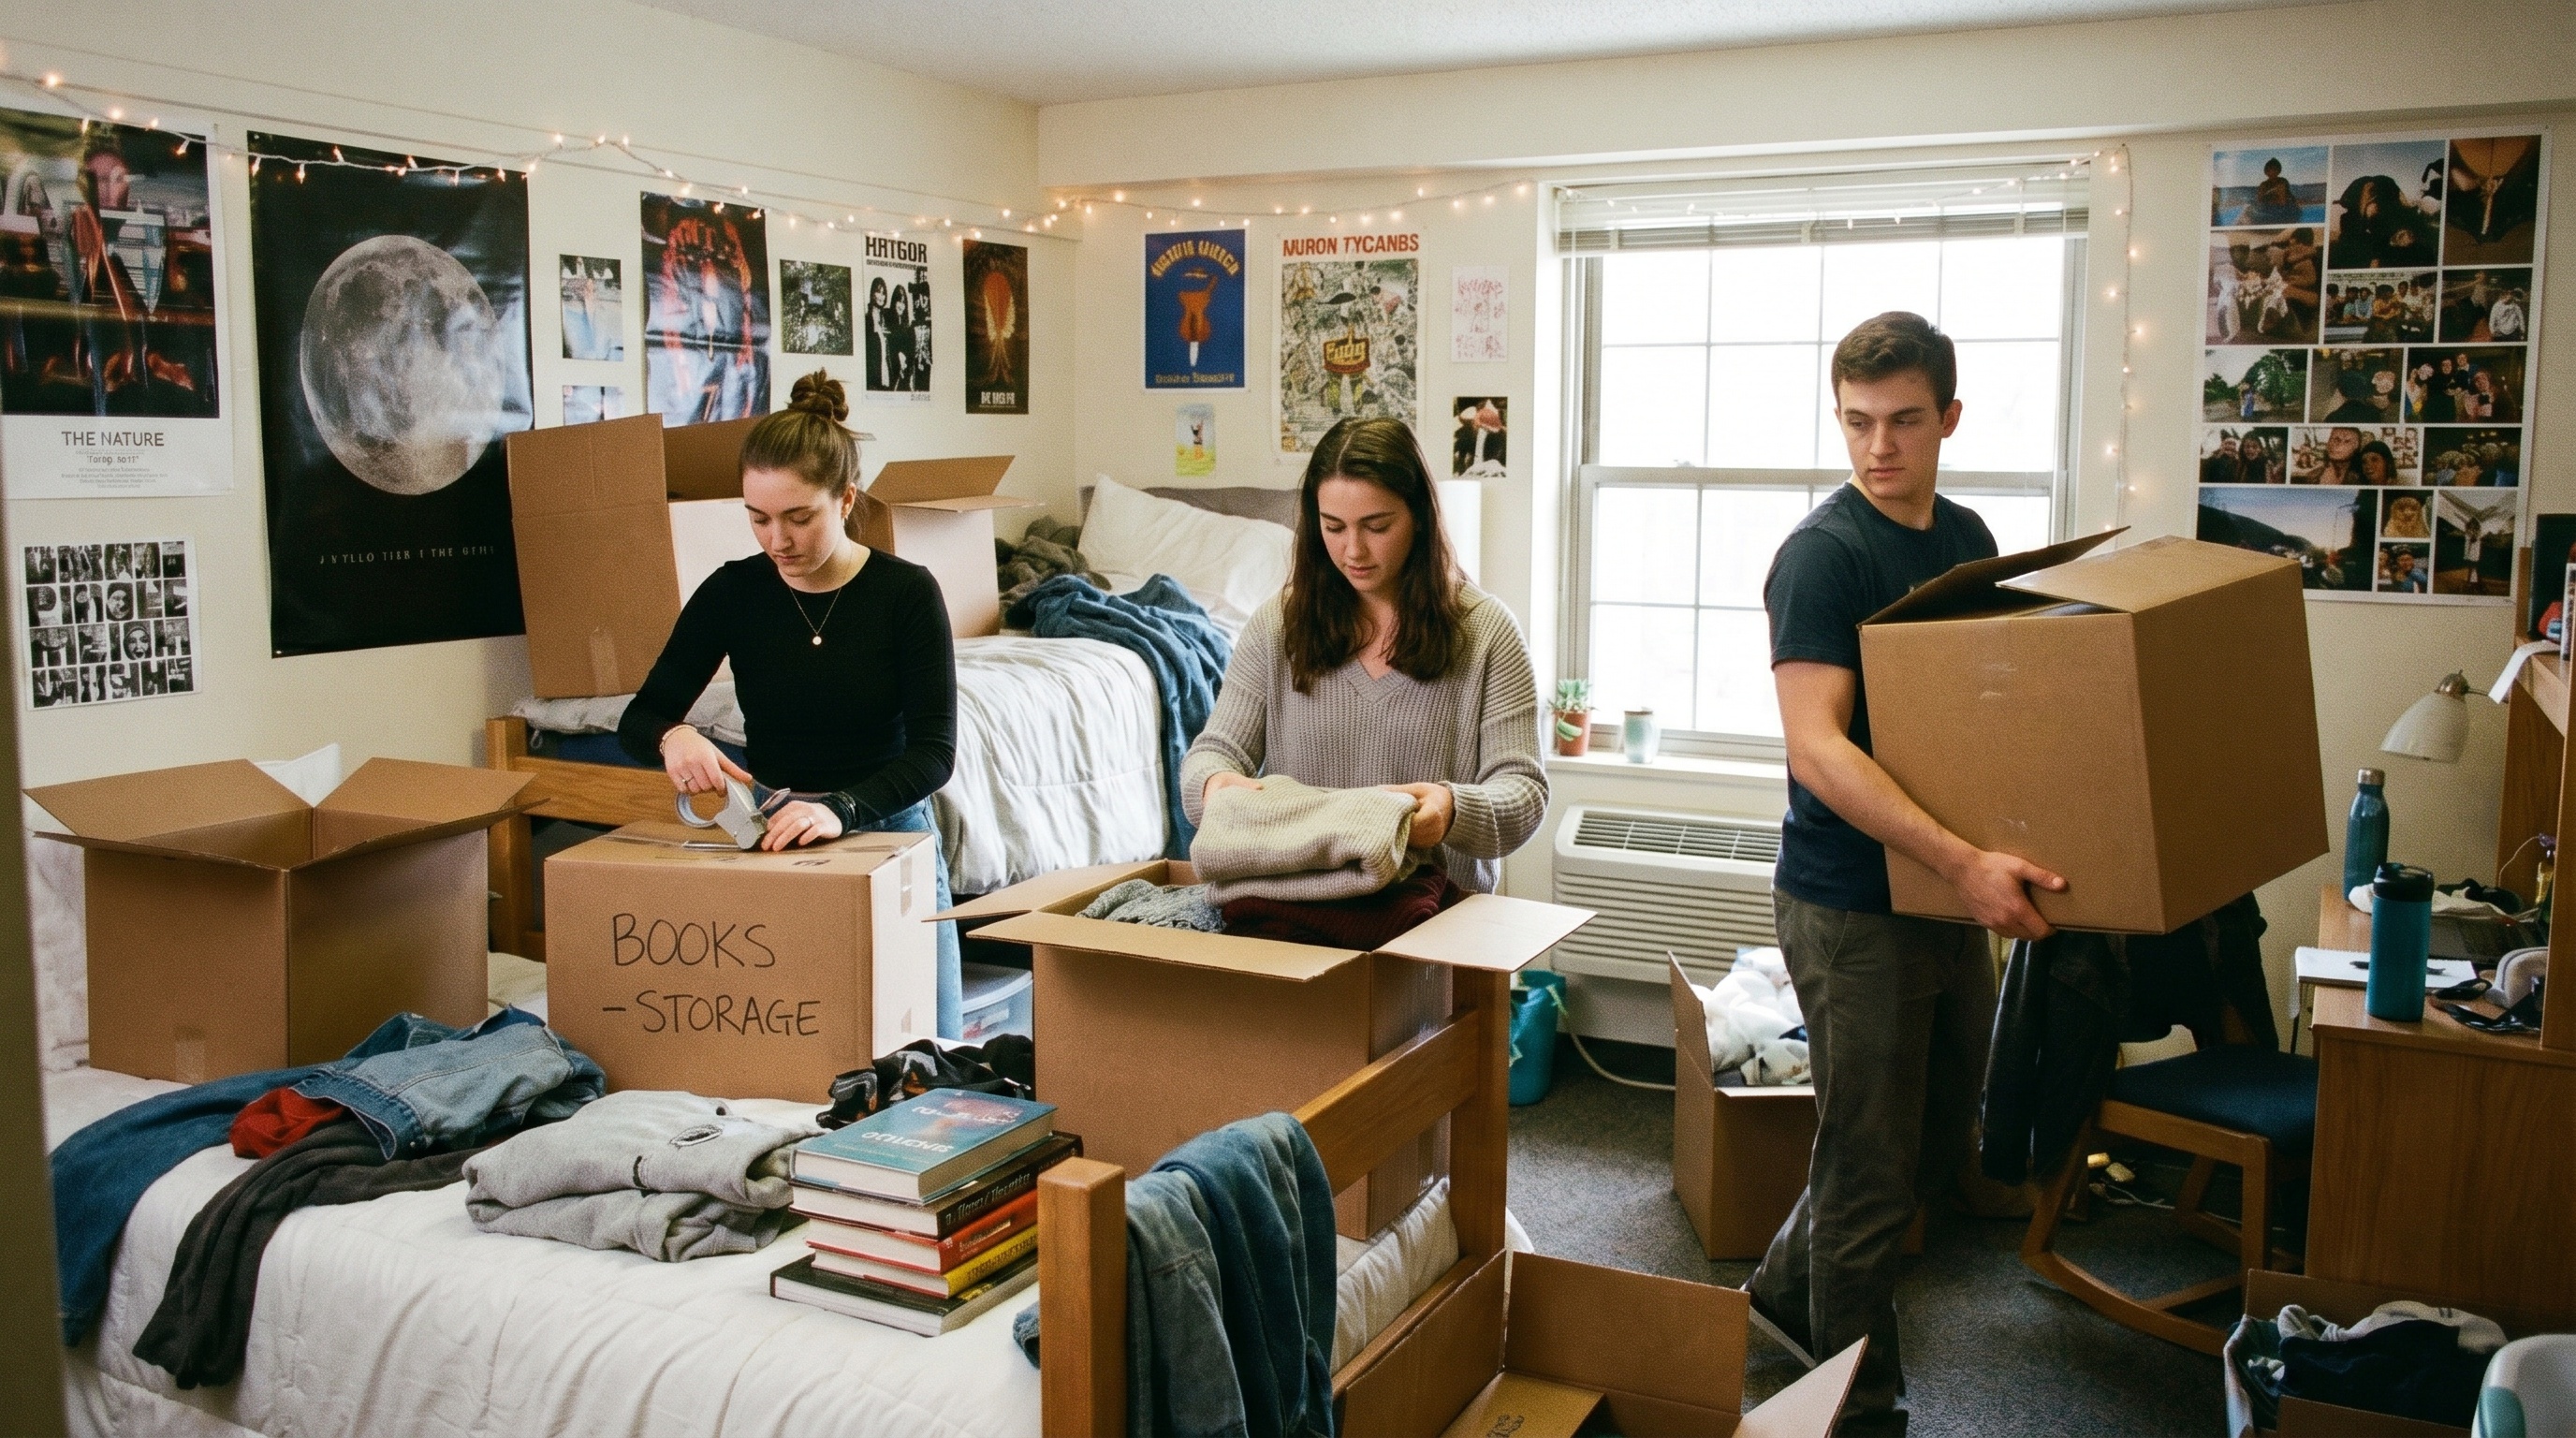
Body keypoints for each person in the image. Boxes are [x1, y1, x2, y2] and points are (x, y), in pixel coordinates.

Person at [1748, 312, 2065, 1437]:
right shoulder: (1825, 556)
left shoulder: (1964, 537)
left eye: (1903, 422)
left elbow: (1986, 714)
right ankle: (1855, 1408)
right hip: (1852, 902)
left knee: (1932, 1144)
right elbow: (1816, 746)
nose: (1877, 447)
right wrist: (1960, 861)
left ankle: (1785, 1296)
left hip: (1948, 885)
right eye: (1856, 423)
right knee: (1871, 1172)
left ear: (1950, 419)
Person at [614, 371, 967, 1037]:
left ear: (846, 500)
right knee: (805, 1048)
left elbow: (934, 753)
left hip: (889, 828)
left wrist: (840, 808)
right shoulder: (734, 591)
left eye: (799, 517)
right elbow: (641, 716)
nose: (777, 541)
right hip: (777, 835)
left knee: (926, 1046)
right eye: (758, 519)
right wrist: (673, 737)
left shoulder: (906, 593)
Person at [1179, 415, 1547, 902]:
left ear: (1419, 516)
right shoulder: (1278, 624)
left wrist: (1452, 810)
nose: (1353, 550)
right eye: (1333, 527)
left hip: (1440, 919)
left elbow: (1523, 791)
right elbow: (1214, 752)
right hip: (1301, 915)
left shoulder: (1487, 633)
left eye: (1377, 527)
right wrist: (1213, 786)